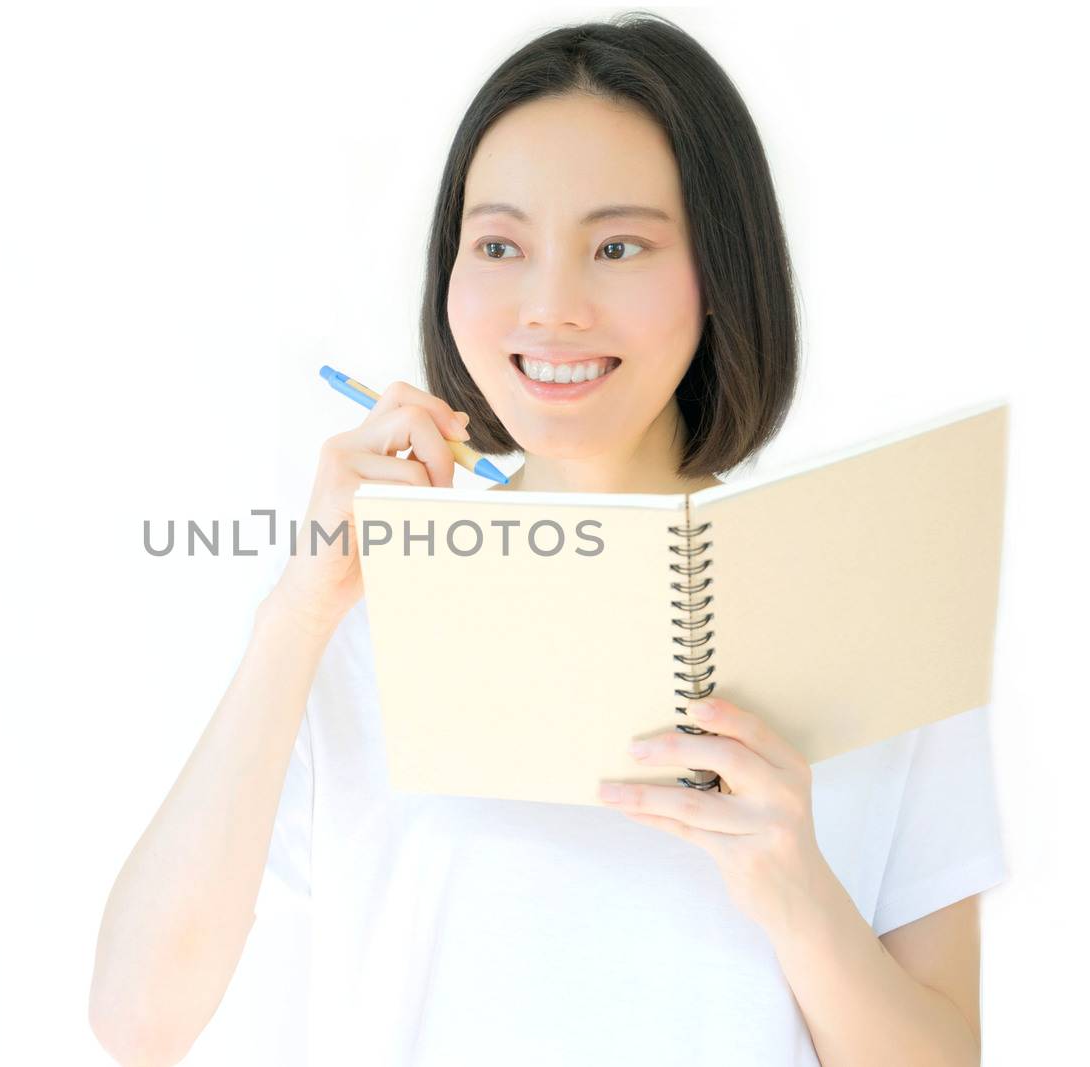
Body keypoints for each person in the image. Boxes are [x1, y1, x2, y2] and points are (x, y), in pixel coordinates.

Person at [90, 12, 1006, 1066]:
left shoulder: (878, 600)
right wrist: (297, 614)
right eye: (500, 245)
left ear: (719, 269)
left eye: (617, 245)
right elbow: (137, 1019)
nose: (551, 305)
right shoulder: (357, 596)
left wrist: (796, 891)